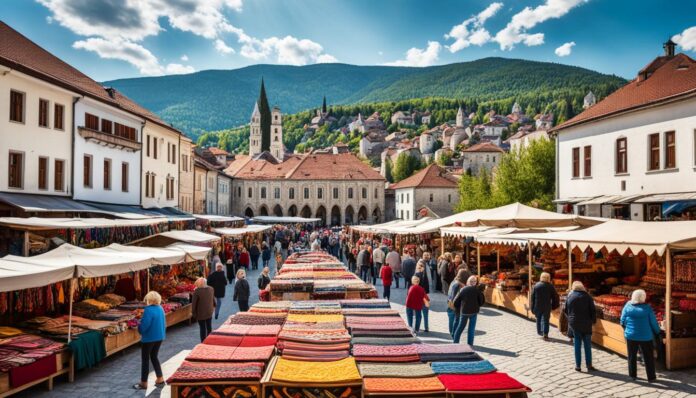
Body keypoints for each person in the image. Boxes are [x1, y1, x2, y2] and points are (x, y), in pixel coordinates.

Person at [620, 289, 659, 381]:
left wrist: (627, 329)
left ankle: (632, 375)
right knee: (648, 357)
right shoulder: (647, 308)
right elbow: (653, 322)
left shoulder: (627, 306)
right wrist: (657, 331)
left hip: (631, 336)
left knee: (632, 356)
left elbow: (622, 320)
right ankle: (651, 377)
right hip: (646, 336)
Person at [134, 291, 166, 390]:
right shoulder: (160, 308)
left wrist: (139, 325)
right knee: (154, 357)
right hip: (159, 337)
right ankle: (160, 378)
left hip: (149, 338)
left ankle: (144, 383)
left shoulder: (148, 310)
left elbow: (144, 327)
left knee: (145, 360)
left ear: (150, 299)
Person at [564, 281, 597, 372]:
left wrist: (570, 319)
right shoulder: (587, 296)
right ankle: (589, 365)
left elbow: (565, 310)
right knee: (587, 345)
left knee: (577, 345)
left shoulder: (570, 296)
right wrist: (593, 321)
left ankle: (578, 365)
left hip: (575, 323)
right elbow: (593, 311)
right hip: (586, 323)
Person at [453, 275, 485, 345]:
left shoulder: (463, 289)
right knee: (471, 329)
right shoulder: (477, 290)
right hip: (474, 312)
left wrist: (460, 306)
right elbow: (481, 302)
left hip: (464, 312)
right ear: (475, 282)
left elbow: (455, 302)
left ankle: (455, 343)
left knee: (460, 328)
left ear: (468, 282)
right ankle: (470, 344)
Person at [531, 272, 559, 340]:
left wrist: (532, 307)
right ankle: (545, 333)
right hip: (547, 305)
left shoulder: (536, 285)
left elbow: (532, 297)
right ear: (548, 278)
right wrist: (554, 306)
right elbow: (555, 296)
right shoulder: (550, 286)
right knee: (546, 320)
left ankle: (540, 332)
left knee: (538, 319)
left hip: (538, 305)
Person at [192, 278, 215, 342]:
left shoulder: (197, 291)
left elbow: (194, 304)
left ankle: (203, 341)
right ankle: (210, 340)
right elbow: (213, 299)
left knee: (202, 328)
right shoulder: (211, 289)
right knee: (209, 326)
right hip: (209, 311)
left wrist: (194, 313)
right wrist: (214, 306)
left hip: (201, 313)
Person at [447, 270, 467, 338]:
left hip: (450, 304)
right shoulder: (457, 284)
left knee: (452, 320)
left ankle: (452, 334)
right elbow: (454, 298)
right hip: (453, 305)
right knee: (454, 321)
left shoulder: (454, 281)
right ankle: (453, 335)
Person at [415, 262, 430, 332]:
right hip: (424, 297)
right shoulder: (425, 276)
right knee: (425, 314)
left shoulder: (416, 275)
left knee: (418, 314)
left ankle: (417, 328)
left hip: (418, 297)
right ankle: (426, 328)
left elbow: (414, 287)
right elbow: (427, 289)